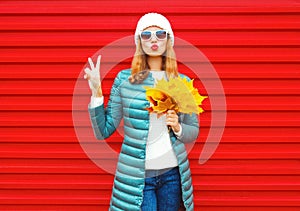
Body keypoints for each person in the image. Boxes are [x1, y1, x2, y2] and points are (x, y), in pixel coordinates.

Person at [84, 12, 199, 211]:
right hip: (139, 177)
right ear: (139, 42)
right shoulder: (125, 80)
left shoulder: (183, 82)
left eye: (160, 34)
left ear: (168, 40)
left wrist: (178, 126)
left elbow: (193, 132)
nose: (153, 39)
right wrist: (96, 93)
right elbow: (104, 130)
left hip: (172, 174)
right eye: (146, 35)